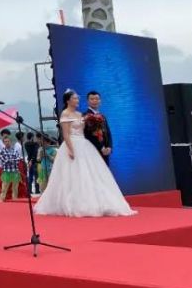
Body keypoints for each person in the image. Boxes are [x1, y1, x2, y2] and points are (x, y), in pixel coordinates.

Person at [35, 89, 135, 217]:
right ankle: (73, 203)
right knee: (73, 175)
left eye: (77, 98)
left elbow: (88, 131)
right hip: (72, 145)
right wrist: (71, 149)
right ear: (68, 100)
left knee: (90, 174)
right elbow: (66, 134)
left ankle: (95, 202)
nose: (77, 100)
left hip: (84, 145)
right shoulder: (65, 114)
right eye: (75, 98)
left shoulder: (79, 114)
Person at [84, 91, 113, 165]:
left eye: (97, 99)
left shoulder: (102, 116)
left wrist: (109, 147)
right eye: (92, 99)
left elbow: (108, 132)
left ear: (100, 101)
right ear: (87, 101)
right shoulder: (85, 116)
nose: (94, 101)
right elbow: (88, 135)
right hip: (93, 151)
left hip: (106, 152)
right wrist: (101, 148)